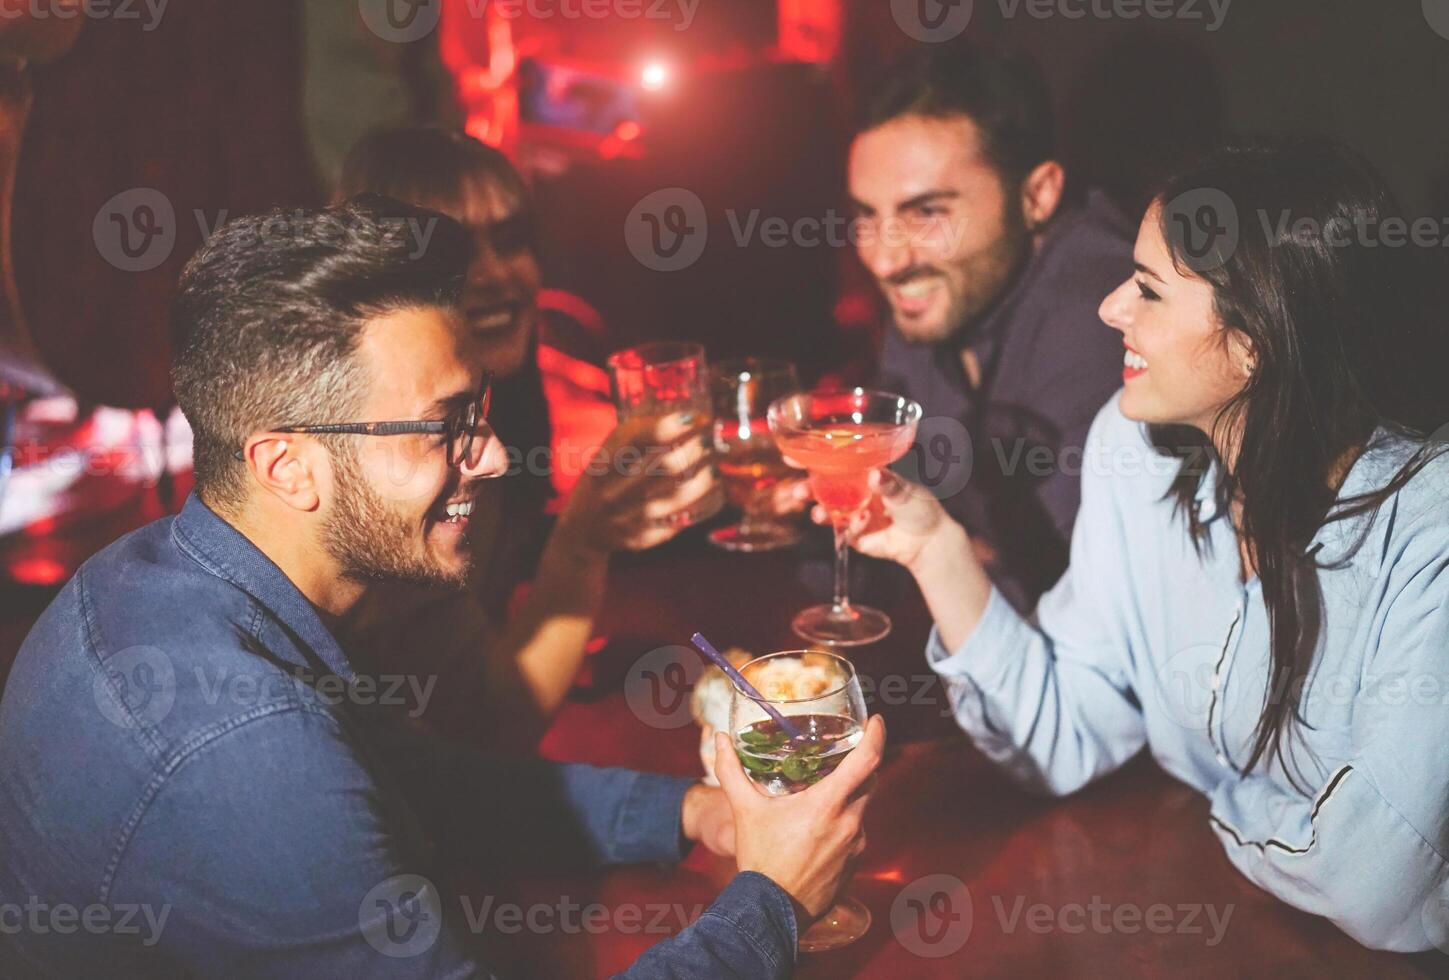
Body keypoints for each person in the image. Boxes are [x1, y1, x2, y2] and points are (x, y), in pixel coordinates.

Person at [0, 198, 885, 977]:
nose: (491, 457)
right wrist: (771, 898)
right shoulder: (244, 750)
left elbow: (412, 781)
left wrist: (694, 814)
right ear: (289, 465)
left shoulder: (157, 575)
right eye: (445, 428)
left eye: (482, 415)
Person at [811, 137, 1449, 950]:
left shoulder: (1426, 528)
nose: (1110, 306)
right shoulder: (1132, 453)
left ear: (1253, 343)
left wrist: (1206, 798)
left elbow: (1375, 887)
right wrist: (934, 548)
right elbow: (1063, 737)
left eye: (1146, 289)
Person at [333, 127, 718, 746]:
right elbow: (483, 727)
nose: (493, 275)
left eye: (511, 241)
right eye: (451, 255)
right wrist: (582, 542)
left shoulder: (491, 408)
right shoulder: (387, 464)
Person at [845, 45, 1132, 610]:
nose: (884, 261)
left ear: (1037, 195)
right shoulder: (946, 289)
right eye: (866, 216)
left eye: (926, 213)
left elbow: (1081, 606)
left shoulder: (1105, 317)